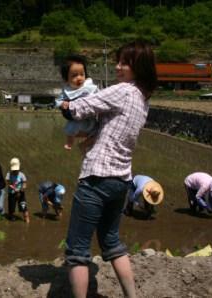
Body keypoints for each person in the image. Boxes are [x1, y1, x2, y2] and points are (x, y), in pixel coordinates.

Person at [61, 40, 158, 298]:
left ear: (138, 66)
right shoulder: (142, 100)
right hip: (122, 181)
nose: (118, 66)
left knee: (77, 251)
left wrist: (64, 105)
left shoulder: (123, 90)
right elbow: (110, 126)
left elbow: (80, 109)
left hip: (97, 178)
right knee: (112, 242)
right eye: (118, 61)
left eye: (124, 63)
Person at [55, 54, 99, 150]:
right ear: (66, 79)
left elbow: (100, 96)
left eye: (82, 74)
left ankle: (86, 144)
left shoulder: (88, 86)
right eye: (74, 75)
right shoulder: (68, 90)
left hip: (90, 119)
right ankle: (70, 142)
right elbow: (58, 101)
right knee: (70, 129)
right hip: (76, 120)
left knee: (98, 131)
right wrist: (62, 104)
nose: (79, 78)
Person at [5, 158, 30, 223]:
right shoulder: (9, 174)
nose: (15, 171)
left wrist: (21, 190)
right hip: (12, 193)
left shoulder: (22, 174)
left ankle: (26, 218)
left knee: (23, 206)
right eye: (14, 170)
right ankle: (11, 217)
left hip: (21, 193)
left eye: (16, 170)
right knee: (11, 208)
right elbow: (8, 183)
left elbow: (24, 183)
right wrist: (14, 188)